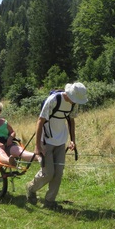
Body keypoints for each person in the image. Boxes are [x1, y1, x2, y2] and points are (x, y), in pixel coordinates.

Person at [26, 82, 88, 210]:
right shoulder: (54, 100)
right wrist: (37, 146)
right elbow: (40, 121)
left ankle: (49, 201)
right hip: (47, 141)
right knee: (48, 173)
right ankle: (31, 188)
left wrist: (72, 140)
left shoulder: (73, 104)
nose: (74, 102)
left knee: (58, 173)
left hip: (61, 141)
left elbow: (71, 121)